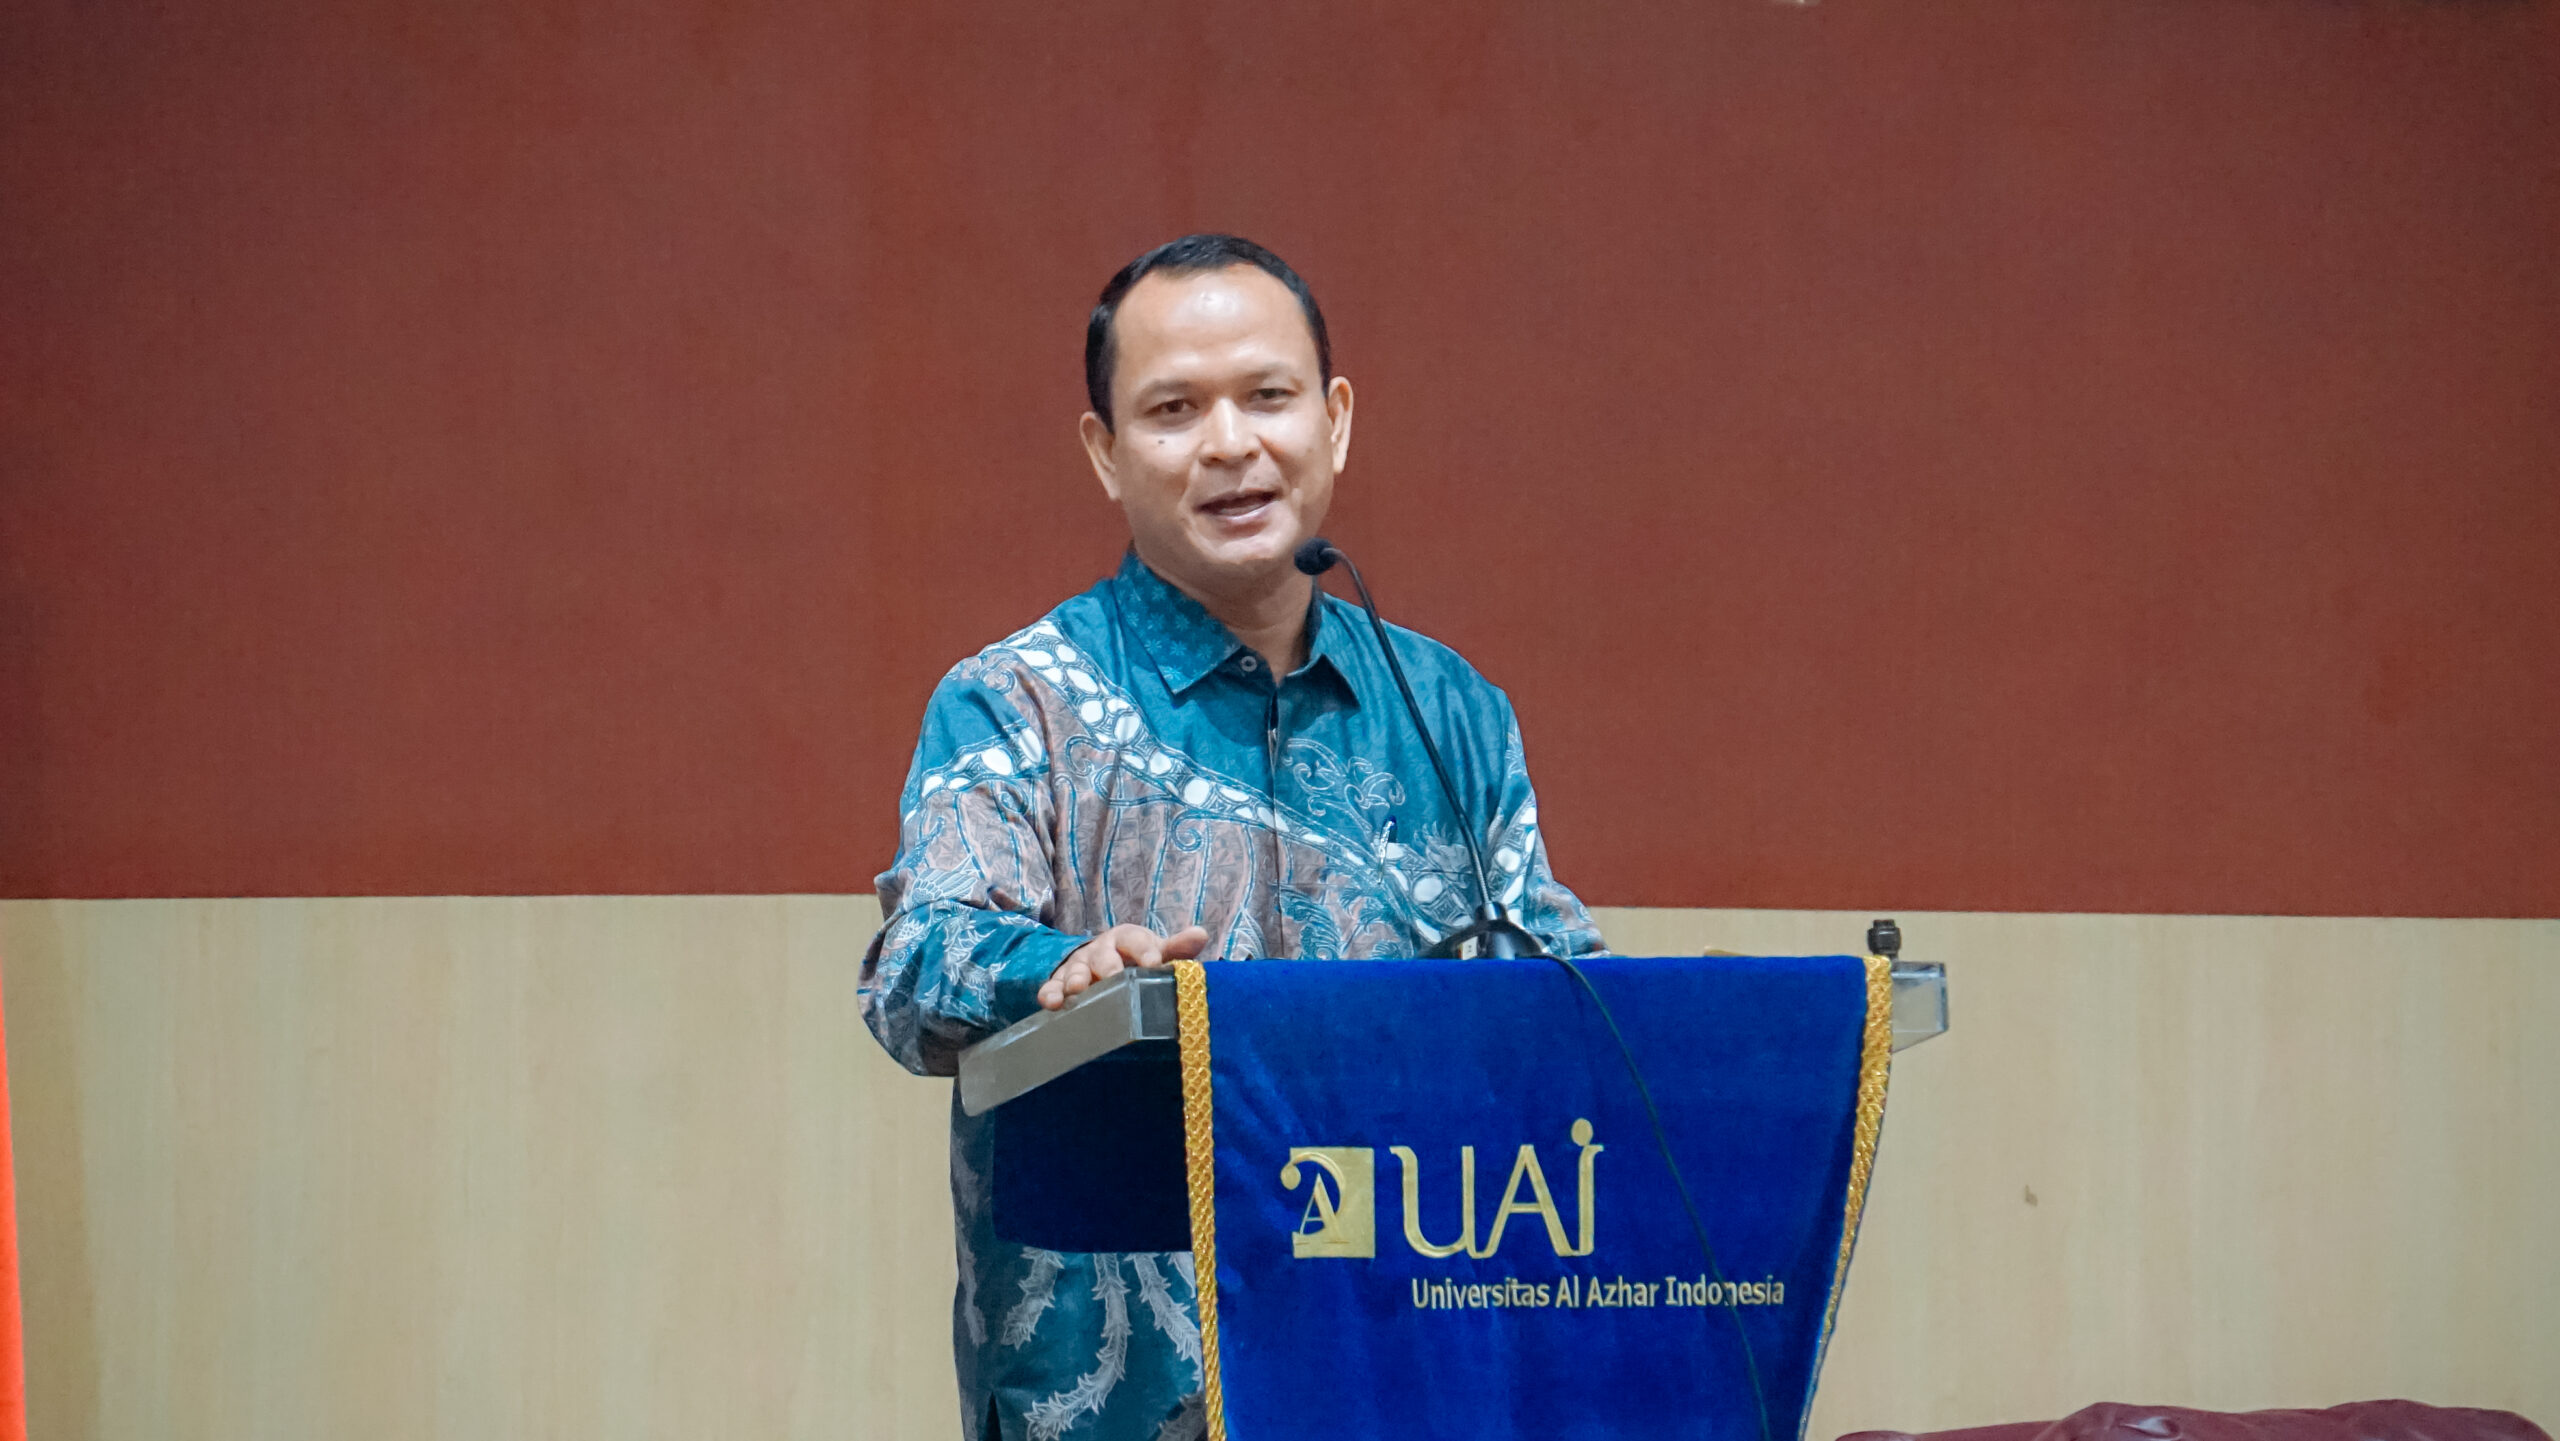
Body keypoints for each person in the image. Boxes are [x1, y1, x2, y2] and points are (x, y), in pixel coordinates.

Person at [861, 234, 1603, 1441]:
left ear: (1335, 421)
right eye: (1172, 410)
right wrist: (1062, 969)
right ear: (1105, 452)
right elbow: (914, 965)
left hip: (1407, 1376)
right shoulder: (1015, 700)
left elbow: (1557, 990)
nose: (1229, 443)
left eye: (1267, 396)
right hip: (1119, 1402)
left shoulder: (1450, 709)